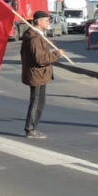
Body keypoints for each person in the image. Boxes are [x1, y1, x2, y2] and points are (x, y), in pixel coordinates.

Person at [21, 11, 65, 139]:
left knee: (39, 102)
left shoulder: (36, 36)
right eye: (46, 20)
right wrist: (57, 54)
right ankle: (30, 129)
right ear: (39, 21)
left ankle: (33, 128)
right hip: (37, 75)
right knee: (36, 103)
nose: (48, 22)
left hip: (39, 74)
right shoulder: (35, 38)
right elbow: (40, 59)